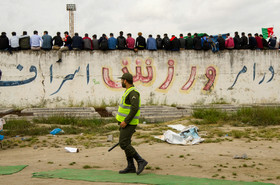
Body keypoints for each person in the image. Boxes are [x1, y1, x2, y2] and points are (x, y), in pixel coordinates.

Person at [116, 73, 148, 175]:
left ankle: (140, 161)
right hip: (124, 123)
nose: (121, 82)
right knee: (126, 144)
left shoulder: (133, 93)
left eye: (121, 80)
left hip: (129, 123)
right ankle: (131, 166)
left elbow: (134, 108)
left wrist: (126, 121)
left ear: (125, 81)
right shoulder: (128, 91)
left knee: (123, 143)